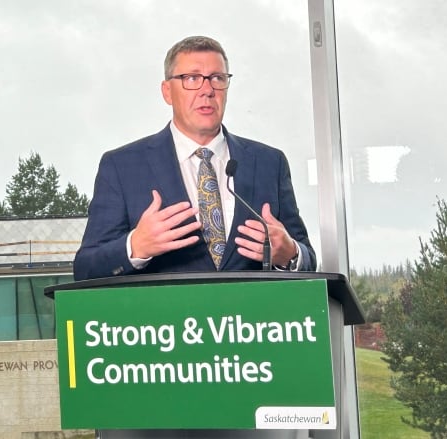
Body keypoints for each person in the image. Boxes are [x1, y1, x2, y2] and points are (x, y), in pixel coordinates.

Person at [73, 35, 316, 281]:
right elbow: (85, 269)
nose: (207, 90)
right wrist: (135, 247)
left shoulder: (269, 163)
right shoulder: (122, 167)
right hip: (165, 318)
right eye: (192, 78)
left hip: (255, 318)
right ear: (167, 92)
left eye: (217, 78)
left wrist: (290, 254)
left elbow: (307, 259)